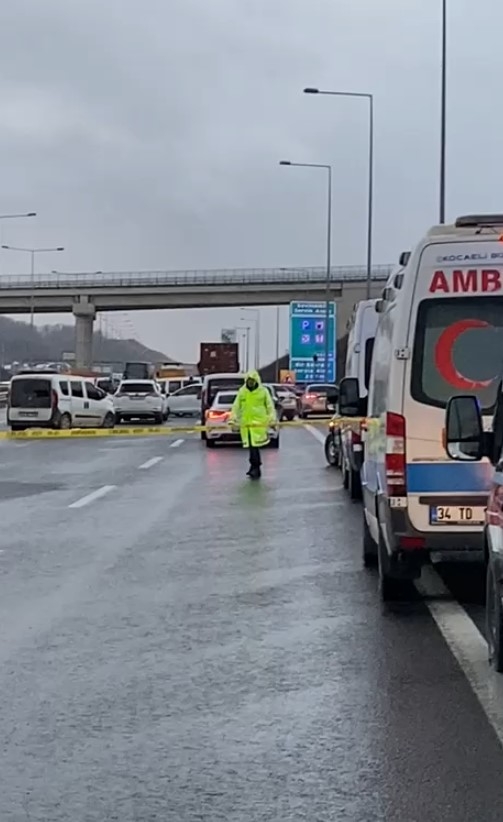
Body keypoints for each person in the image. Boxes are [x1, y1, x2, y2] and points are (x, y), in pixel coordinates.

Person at [230, 369, 276, 479]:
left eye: (252, 380)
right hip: (246, 425)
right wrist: (233, 420)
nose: (250, 383)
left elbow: (270, 407)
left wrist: (272, 420)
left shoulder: (263, 392)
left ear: (256, 380)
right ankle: (254, 467)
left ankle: (255, 467)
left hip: (259, 424)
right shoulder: (242, 392)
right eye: (249, 380)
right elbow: (236, 407)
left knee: (254, 447)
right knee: (251, 446)